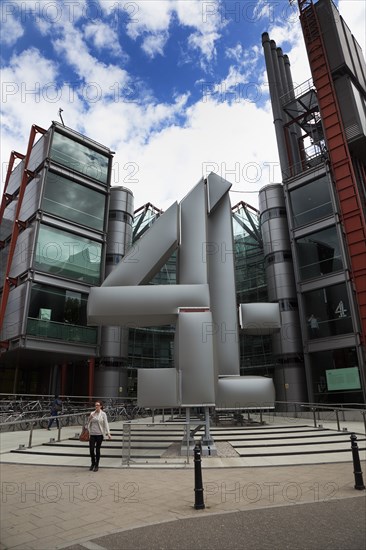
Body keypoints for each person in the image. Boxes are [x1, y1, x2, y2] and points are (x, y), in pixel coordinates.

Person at [87, 401, 111, 471]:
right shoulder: (92, 413)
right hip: (92, 433)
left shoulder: (103, 414)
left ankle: (97, 465)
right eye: (95, 405)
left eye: (98, 405)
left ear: (100, 406)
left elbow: (106, 423)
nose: (96, 406)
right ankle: (93, 463)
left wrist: (108, 433)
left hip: (99, 434)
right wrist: (90, 417)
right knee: (91, 450)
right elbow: (88, 422)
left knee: (97, 450)